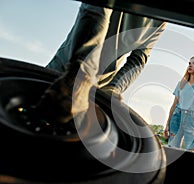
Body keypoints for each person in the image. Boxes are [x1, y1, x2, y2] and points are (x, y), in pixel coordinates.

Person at [33, 3, 167, 124]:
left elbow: (138, 60)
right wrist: (81, 76)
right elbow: (96, 12)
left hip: (99, 89)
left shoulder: (162, 20)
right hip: (64, 74)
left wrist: (115, 88)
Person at [164, 55, 194, 151]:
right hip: (177, 116)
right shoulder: (181, 84)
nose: (190, 65)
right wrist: (167, 124)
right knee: (172, 150)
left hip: (192, 119)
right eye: (189, 63)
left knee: (192, 151)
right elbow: (174, 105)